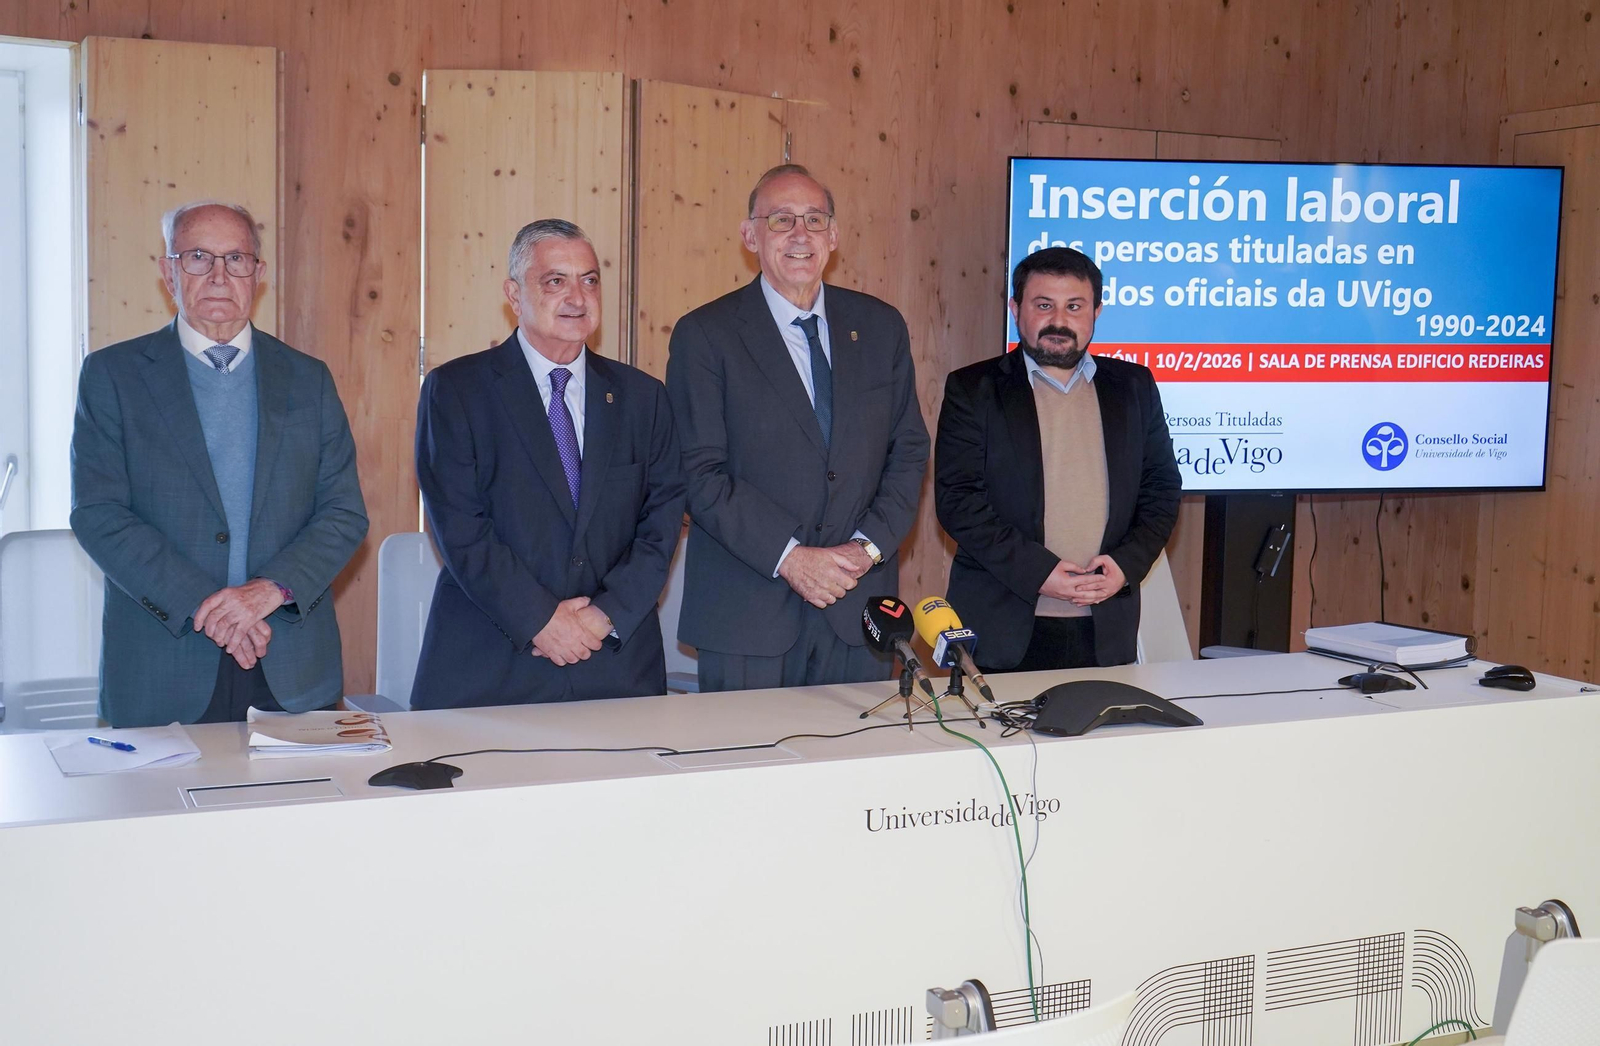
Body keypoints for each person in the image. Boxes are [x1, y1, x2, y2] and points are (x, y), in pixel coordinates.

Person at [70, 201, 368, 726]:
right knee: (160, 810)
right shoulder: (113, 376)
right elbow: (100, 515)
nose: (219, 275)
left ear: (259, 274)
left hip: (291, 660)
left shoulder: (308, 379)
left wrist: (266, 592)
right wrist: (213, 606)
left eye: (236, 259)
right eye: (198, 257)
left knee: (300, 808)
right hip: (164, 662)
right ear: (168, 271)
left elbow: (343, 513)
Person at [666, 164, 929, 691]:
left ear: (834, 235)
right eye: (781, 219)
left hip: (860, 610)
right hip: (749, 615)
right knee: (750, 768)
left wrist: (866, 548)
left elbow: (909, 451)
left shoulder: (881, 327)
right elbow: (699, 473)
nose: (800, 235)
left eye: (814, 219)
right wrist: (791, 558)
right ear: (750, 235)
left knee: (857, 771)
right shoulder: (706, 335)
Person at [412, 219, 684, 707]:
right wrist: (541, 621)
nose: (577, 298)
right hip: (492, 665)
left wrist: (603, 616)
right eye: (555, 281)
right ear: (514, 295)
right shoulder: (456, 391)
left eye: (589, 280)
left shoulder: (644, 399)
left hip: (615, 663)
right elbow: (460, 527)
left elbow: (660, 527)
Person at [934, 247, 1181, 671]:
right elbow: (959, 502)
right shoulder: (973, 389)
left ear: (1097, 312)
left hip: (1106, 628)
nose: (1059, 321)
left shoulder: (1134, 386)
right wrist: (1040, 573)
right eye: (1043, 305)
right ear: (1016, 309)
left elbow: (1161, 490)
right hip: (1003, 627)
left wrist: (1125, 566)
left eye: (1074, 306)